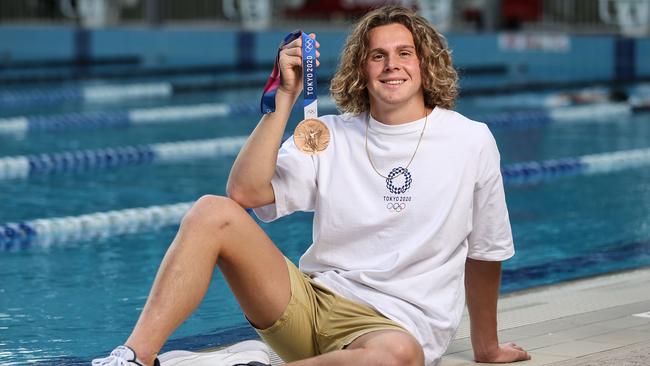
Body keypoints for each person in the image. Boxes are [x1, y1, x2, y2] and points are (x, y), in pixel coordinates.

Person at [93, 5, 530, 366]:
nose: (391, 64)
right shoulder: (329, 134)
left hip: (393, 330)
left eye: (404, 53)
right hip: (311, 306)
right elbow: (245, 194)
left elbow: (485, 252)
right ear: (362, 67)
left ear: (425, 62)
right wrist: (283, 100)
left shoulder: (470, 140)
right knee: (212, 211)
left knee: (397, 356)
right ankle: (134, 357)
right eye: (378, 55)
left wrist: (486, 348)